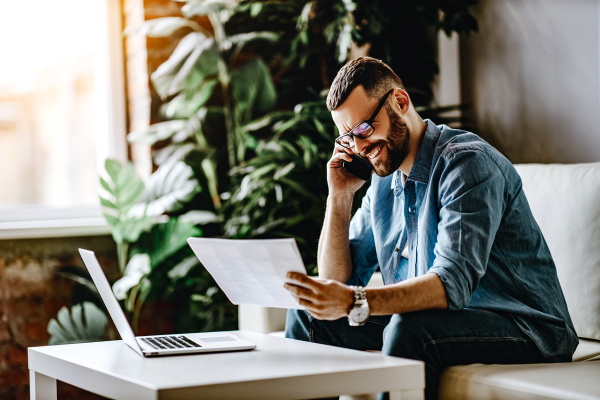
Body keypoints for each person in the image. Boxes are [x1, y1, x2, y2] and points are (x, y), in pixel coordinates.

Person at [283, 57, 578, 400]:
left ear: (400, 102)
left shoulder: (466, 163)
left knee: (411, 329)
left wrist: (355, 300)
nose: (360, 147)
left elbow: (451, 284)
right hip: (444, 321)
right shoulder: (382, 183)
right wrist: (340, 196)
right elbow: (336, 283)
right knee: (309, 316)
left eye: (364, 128)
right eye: (348, 138)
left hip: (526, 327)